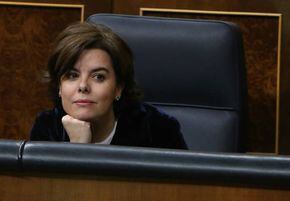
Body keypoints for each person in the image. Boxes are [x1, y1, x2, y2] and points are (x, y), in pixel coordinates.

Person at [30, 22, 187, 149]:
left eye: (98, 77)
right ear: (59, 86)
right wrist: (78, 146)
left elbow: (182, 188)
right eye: (72, 75)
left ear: (118, 87)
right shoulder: (47, 128)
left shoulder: (158, 130)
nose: (83, 86)